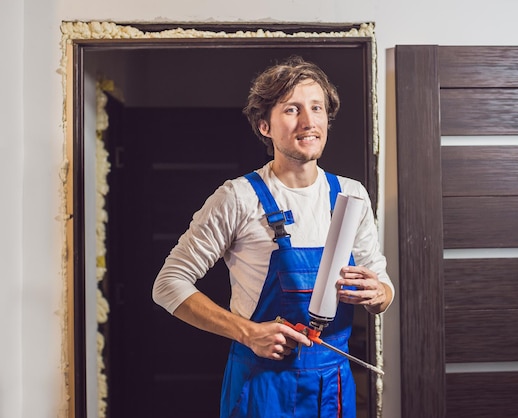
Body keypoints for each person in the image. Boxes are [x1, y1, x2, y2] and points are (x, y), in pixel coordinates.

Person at [152, 55, 394, 418]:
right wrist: (247, 333)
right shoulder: (238, 197)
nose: (309, 121)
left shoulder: (352, 196)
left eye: (317, 108)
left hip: (333, 385)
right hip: (262, 386)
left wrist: (379, 294)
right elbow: (168, 284)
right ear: (264, 125)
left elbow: (383, 287)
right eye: (292, 110)